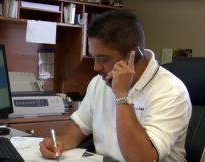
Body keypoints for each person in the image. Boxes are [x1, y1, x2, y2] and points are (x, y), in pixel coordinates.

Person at [39, 9, 192, 162]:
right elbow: (80, 125)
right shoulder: (100, 82)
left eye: (103, 59)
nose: (96, 67)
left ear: (133, 56)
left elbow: (142, 159)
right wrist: (58, 142)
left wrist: (122, 96)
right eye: (94, 58)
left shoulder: (171, 92)